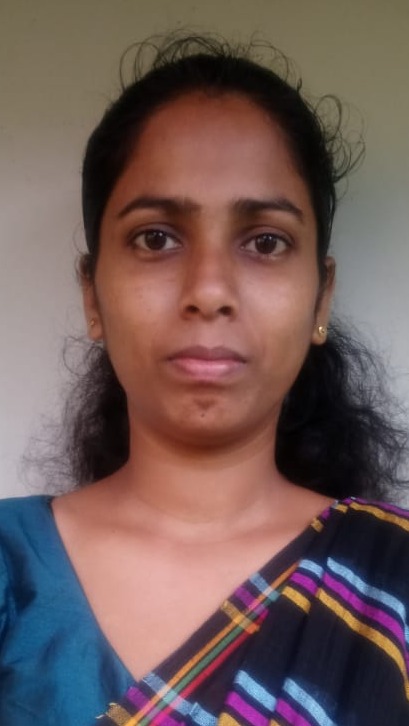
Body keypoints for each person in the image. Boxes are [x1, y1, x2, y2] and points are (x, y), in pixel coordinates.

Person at [0, 34, 408, 725]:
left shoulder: (390, 580)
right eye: (156, 238)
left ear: (321, 297)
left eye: (265, 241)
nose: (209, 290)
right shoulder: (12, 569)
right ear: (93, 295)